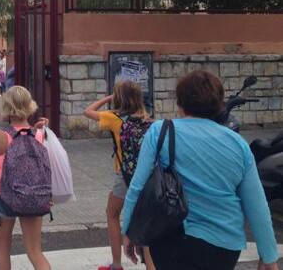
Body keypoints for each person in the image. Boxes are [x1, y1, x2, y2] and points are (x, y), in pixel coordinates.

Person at [123, 71, 279, 270]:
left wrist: (129, 231)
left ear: (180, 103)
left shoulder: (160, 131)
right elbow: (257, 206)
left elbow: (136, 187)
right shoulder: (238, 144)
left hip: (170, 238)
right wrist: (269, 256)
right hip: (223, 246)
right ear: (219, 104)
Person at [84, 82, 155, 270]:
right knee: (145, 220)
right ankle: (150, 265)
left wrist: (109, 98)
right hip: (147, 177)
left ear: (119, 98)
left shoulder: (115, 118)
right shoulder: (148, 120)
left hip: (125, 176)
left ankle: (116, 264)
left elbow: (88, 111)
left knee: (112, 214)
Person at [0, 86, 51, 270]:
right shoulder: (40, 133)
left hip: (5, 196)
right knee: (35, 250)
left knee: (3, 245)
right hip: (34, 196)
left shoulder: (0, 136)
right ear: (29, 105)